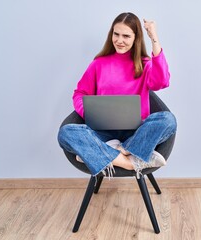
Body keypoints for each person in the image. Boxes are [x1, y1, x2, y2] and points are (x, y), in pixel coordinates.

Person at [58, 12, 177, 178]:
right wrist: (90, 113)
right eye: (116, 34)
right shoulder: (98, 64)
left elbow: (162, 81)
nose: (119, 41)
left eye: (126, 36)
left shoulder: (144, 65)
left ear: (136, 38)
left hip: (136, 133)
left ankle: (106, 153)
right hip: (102, 132)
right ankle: (129, 162)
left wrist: (154, 38)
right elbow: (80, 93)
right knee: (66, 133)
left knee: (168, 120)